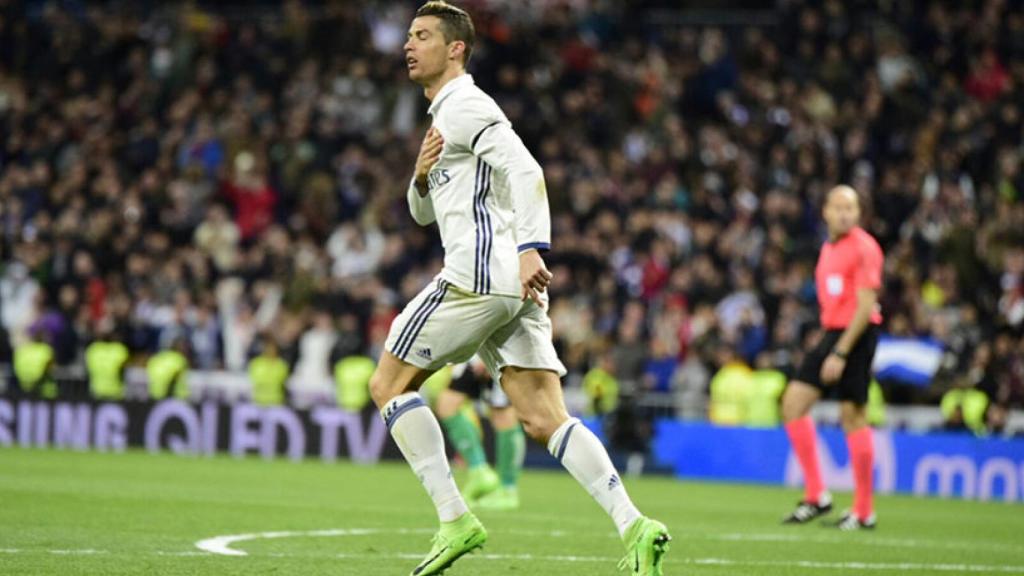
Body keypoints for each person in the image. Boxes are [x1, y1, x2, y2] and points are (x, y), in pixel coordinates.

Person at [367, 3, 670, 574]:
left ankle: (455, 518)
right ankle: (636, 526)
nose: (409, 44)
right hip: (510, 286)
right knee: (543, 416)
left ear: (456, 48)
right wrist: (420, 174)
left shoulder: (467, 105)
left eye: (424, 35)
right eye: (408, 35)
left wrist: (535, 247)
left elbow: (526, 170)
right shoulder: (444, 119)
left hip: (479, 276)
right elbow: (421, 214)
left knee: (387, 383)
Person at [780, 185, 883, 530]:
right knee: (793, 403)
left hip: (857, 332)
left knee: (852, 415)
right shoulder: (828, 248)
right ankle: (816, 496)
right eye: (838, 207)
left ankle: (864, 511)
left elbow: (866, 305)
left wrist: (840, 351)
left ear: (858, 213)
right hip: (833, 332)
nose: (844, 213)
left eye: (850, 208)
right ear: (825, 211)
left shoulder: (865, 247)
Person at [435, 357, 524, 510]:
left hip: (497, 354)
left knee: (503, 415)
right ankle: (479, 472)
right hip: (474, 353)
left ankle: (508, 489)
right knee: (447, 406)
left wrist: (493, 355)